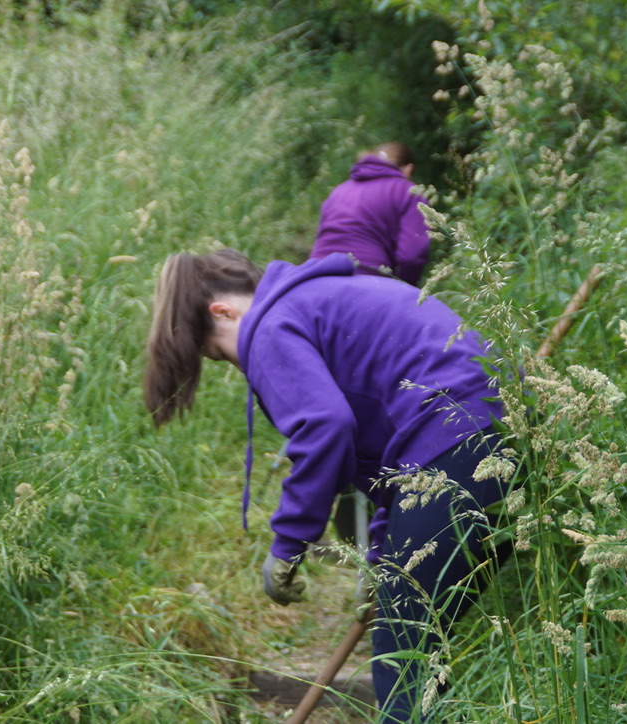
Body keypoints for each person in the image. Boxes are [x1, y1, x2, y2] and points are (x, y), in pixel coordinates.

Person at [143, 249, 512, 722]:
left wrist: (290, 542)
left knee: (404, 646)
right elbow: (389, 460)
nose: (237, 365)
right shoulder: (318, 302)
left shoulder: (271, 326)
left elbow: (326, 427)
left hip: (458, 442)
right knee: (421, 635)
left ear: (224, 311)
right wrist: (383, 558)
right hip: (491, 435)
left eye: (220, 352)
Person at [309, 142, 431, 286]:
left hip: (316, 276)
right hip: (366, 278)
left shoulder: (339, 190)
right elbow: (411, 256)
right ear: (408, 169)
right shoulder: (408, 191)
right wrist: (406, 288)